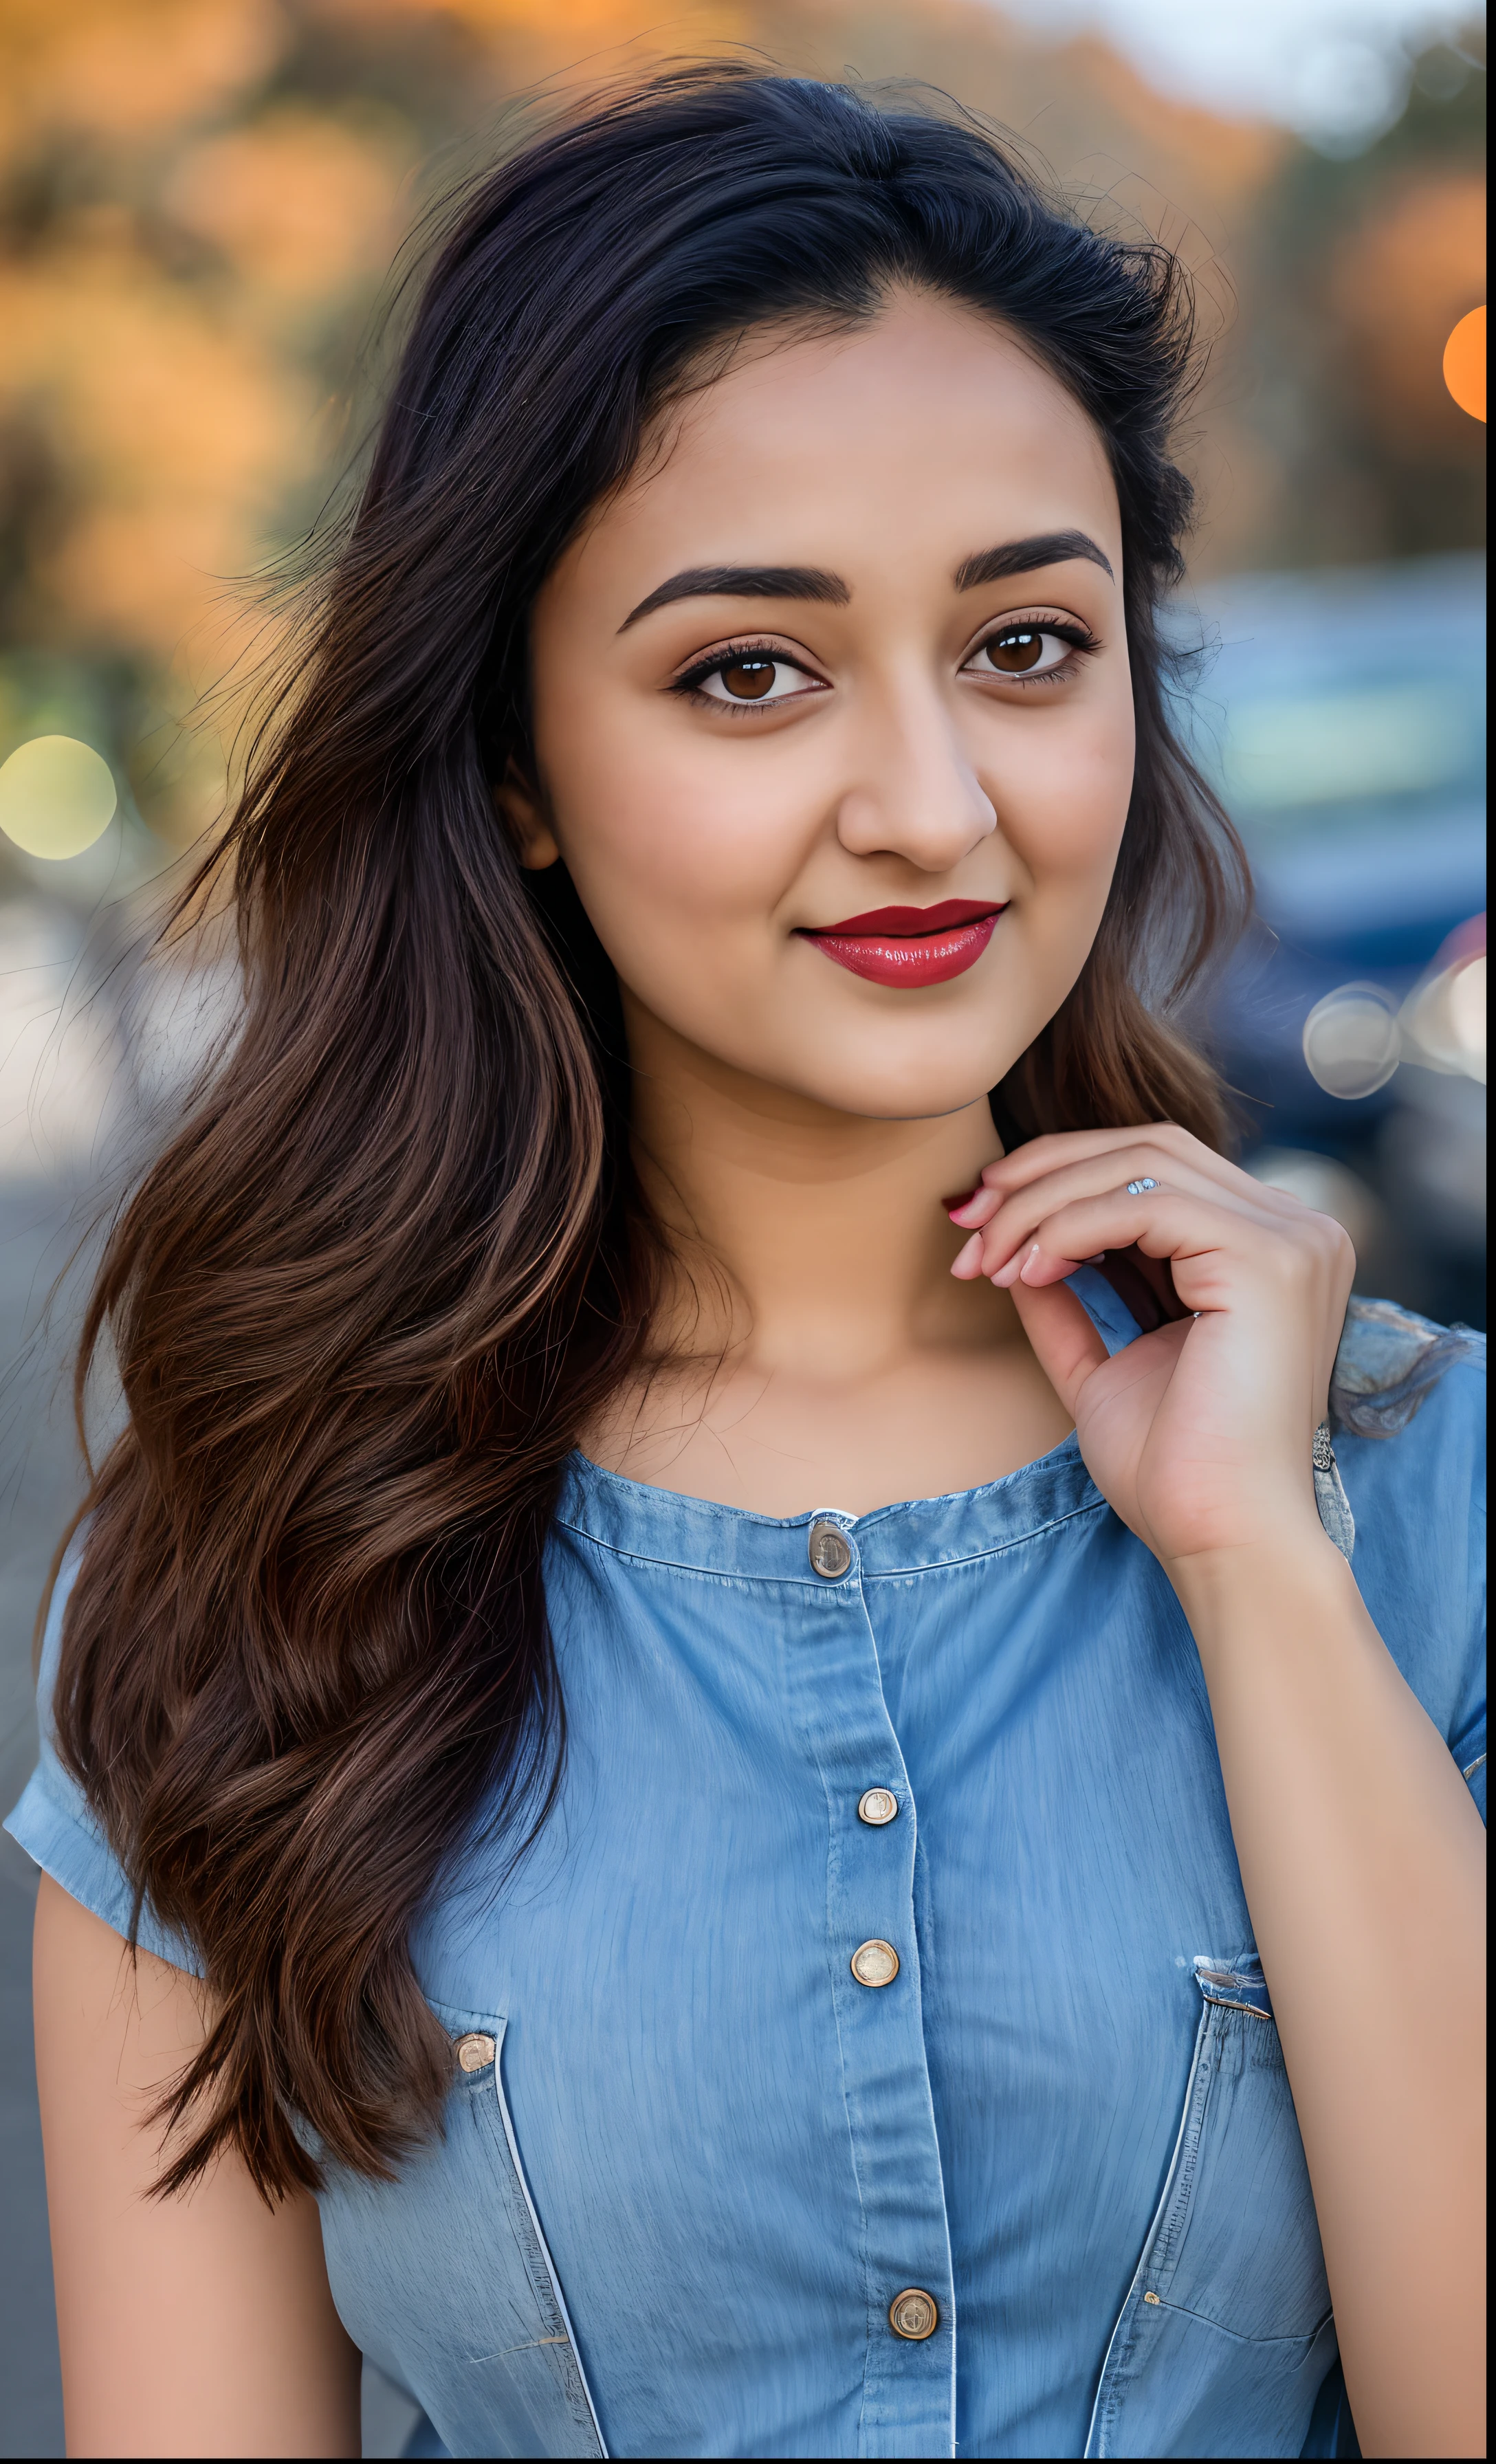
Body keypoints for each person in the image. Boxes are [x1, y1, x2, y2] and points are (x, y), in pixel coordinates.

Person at [8, 67, 1484, 2463]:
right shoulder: (249, 1585)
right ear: (513, 768)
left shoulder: (1432, 1495)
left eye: (1027, 644)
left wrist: (1265, 1572)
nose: (932, 801)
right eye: (749, 673)